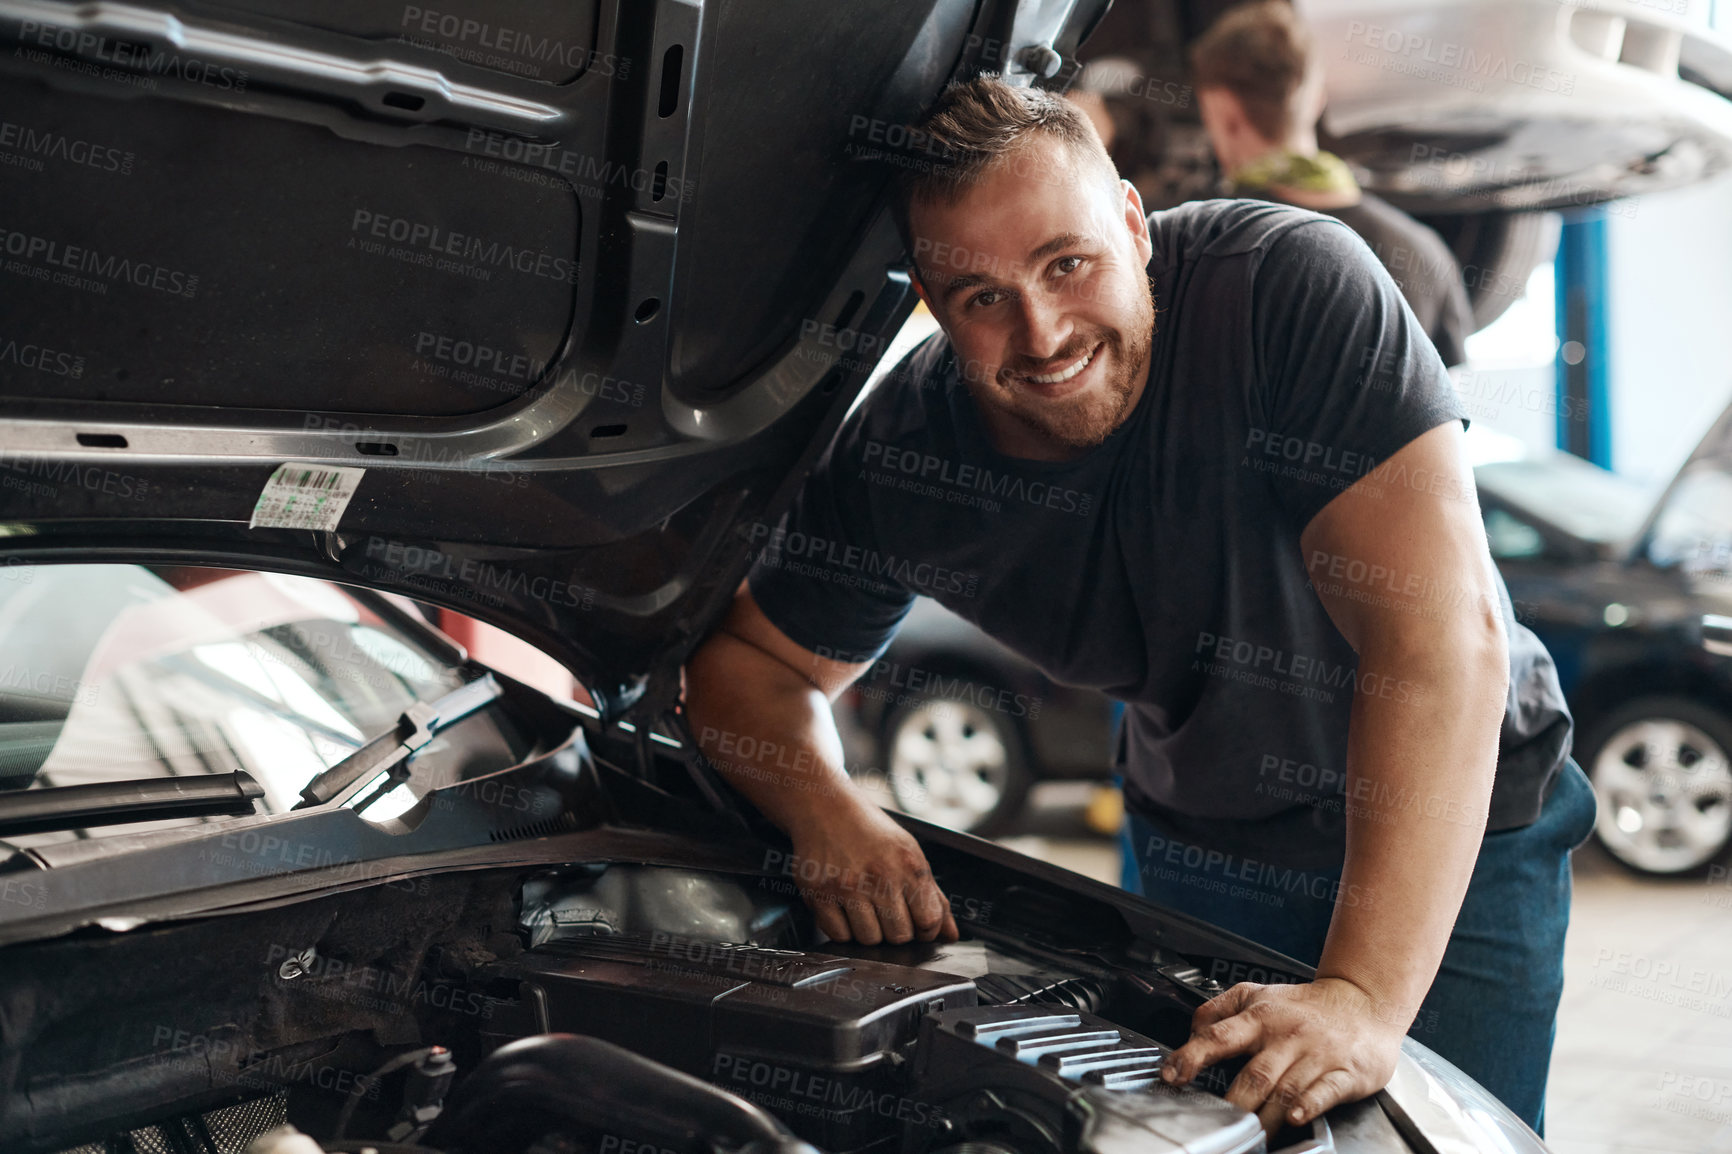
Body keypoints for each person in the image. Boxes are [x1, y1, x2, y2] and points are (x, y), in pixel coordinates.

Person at [682, 76, 1593, 1136]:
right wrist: (827, 808)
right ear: (928, 300)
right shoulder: (904, 453)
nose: (1042, 332)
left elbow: (1441, 643)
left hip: (1463, 834)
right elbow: (747, 668)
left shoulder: (1283, 288)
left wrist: (1361, 996)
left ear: (1131, 221)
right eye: (981, 296)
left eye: (1067, 263)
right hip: (1202, 846)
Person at [1189, 0, 1475, 368]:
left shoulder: (1202, 241)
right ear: (1317, 99)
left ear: (1225, 113)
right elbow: (1452, 409)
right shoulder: (1425, 252)